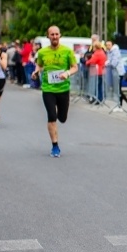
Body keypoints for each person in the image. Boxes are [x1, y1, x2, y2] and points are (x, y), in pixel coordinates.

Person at [31, 26, 78, 157]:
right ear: (48, 37)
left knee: (62, 118)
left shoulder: (67, 51)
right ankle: (55, 146)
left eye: (57, 34)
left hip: (63, 89)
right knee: (52, 117)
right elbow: (39, 65)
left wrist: (67, 73)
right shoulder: (42, 52)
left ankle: (59, 114)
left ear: (60, 35)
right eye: (52, 35)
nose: (55, 37)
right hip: (48, 89)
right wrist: (36, 72)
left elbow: (75, 67)